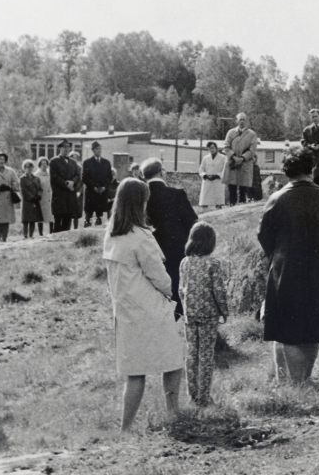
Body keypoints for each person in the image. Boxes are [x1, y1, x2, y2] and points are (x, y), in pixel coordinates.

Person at [102, 178, 185, 431]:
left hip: (126, 310)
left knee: (135, 373)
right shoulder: (141, 237)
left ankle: (125, 428)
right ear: (141, 202)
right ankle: (174, 416)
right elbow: (159, 277)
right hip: (150, 309)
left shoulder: (111, 234)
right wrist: (173, 292)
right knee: (173, 362)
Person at [258, 147, 319, 384]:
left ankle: (294, 384)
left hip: (286, 271)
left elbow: (264, 237)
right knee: (313, 329)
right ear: (312, 169)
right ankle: (301, 379)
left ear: (286, 172)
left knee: (288, 330)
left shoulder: (277, 199)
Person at [178, 222, 228, 407]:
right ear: (210, 242)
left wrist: (185, 308)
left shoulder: (185, 262)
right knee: (206, 354)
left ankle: (193, 396)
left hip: (190, 314)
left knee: (191, 354)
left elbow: (181, 289)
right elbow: (219, 290)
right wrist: (224, 311)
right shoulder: (213, 263)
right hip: (208, 315)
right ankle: (205, 397)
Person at [142, 157, 199, 318]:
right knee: (176, 285)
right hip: (177, 248)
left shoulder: (141, 196)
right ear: (161, 172)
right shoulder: (177, 194)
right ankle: (177, 313)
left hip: (149, 249)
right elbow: (192, 222)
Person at [222, 113, 259, 205]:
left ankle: (242, 205)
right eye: (240, 119)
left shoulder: (252, 134)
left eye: (243, 119)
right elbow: (226, 147)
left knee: (243, 187)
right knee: (232, 186)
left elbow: (252, 150)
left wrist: (242, 158)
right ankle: (232, 204)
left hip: (245, 163)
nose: (241, 121)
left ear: (246, 121)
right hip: (232, 162)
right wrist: (234, 157)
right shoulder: (231, 132)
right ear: (236, 121)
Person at [49, 140, 81, 233]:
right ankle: (56, 242)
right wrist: (66, 184)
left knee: (68, 221)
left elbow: (77, 175)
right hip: (59, 195)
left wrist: (72, 182)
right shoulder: (54, 161)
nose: (66, 149)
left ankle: (65, 242)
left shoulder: (73, 162)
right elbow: (54, 177)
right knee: (58, 220)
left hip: (70, 195)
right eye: (64, 147)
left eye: (68, 147)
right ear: (59, 148)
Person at [0, 152, 20, 242]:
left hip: (7, 198)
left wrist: (11, 186)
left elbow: (16, 182)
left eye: (3, 159)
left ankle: (5, 239)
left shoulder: (10, 171)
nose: (2, 161)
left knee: (6, 220)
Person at [83, 142, 114, 227]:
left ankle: (98, 226)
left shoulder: (106, 162)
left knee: (99, 216)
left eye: (100, 148)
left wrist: (104, 186)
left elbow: (109, 177)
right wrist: (93, 187)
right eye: (96, 149)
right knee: (88, 216)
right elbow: (85, 177)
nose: (98, 151)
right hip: (91, 192)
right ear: (93, 150)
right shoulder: (87, 162)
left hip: (102, 192)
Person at [197, 141, 227, 210]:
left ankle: (218, 209)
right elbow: (201, 169)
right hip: (207, 179)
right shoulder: (206, 158)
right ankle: (204, 210)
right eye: (209, 148)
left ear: (216, 148)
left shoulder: (223, 158)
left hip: (218, 180)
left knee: (218, 198)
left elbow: (225, 170)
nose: (211, 150)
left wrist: (217, 175)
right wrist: (205, 175)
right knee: (205, 198)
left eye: (212, 148)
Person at [20, 159, 44, 238]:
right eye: (27, 167)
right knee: (26, 220)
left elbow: (40, 189)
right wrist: (31, 197)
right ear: (24, 168)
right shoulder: (22, 178)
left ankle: (31, 236)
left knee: (33, 220)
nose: (29, 168)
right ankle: (25, 236)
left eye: (31, 167)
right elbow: (23, 190)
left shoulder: (36, 178)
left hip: (35, 201)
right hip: (27, 201)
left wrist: (38, 196)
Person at [35, 157, 54, 235]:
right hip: (41, 197)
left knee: (51, 215)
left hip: (50, 196)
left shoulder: (51, 173)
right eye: (42, 164)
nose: (44, 165)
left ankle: (51, 232)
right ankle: (40, 233)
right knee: (41, 215)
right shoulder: (36, 175)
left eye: (45, 163)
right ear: (39, 165)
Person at [69, 151, 85, 229]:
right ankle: (67, 229)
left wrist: (79, 191)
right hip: (69, 191)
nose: (74, 159)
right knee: (68, 212)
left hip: (78, 192)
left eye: (76, 157)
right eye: (72, 157)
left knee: (76, 213)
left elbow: (82, 181)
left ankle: (76, 228)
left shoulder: (80, 168)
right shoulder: (67, 168)